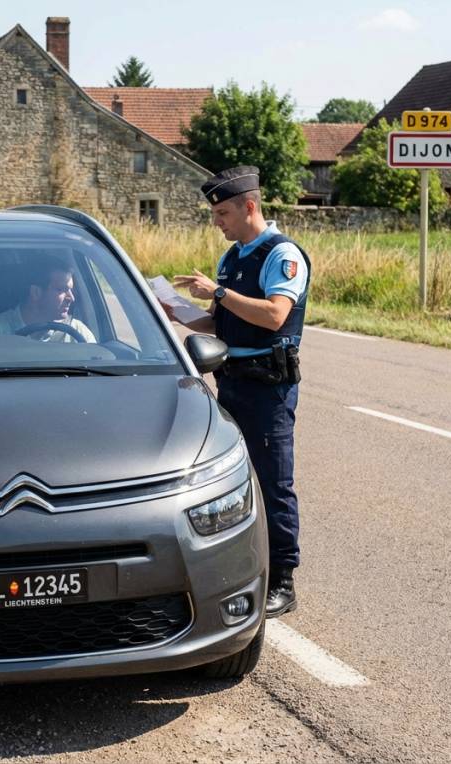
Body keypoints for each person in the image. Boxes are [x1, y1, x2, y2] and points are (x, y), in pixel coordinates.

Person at [162, 166, 310, 618]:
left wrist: (220, 292)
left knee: (273, 481)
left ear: (250, 206)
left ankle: (283, 579)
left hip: (268, 387)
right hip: (230, 381)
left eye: (223, 212)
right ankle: (246, 565)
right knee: (232, 478)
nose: (217, 221)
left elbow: (273, 316)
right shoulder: (233, 257)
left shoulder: (281, 255)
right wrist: (172, 308)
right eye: (214, 213)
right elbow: (218, 323)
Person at [0, 256, 97, 343]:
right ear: (36, 292)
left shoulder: (77, 332)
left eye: (71, 290)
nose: (71, 298)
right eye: (62, 290)